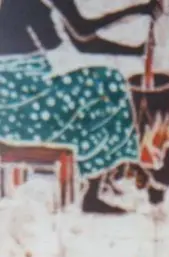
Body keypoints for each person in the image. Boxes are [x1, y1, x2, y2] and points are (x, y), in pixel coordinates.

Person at [0, 0, 160, 213]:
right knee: (108, 84)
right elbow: (83, 33)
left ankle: (102, 184)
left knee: (102, 87)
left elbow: (81, 42)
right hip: (24, 103)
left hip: (19, 109)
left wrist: (135, 49)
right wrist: (138, 10)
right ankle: (98, 187)